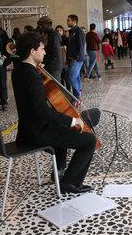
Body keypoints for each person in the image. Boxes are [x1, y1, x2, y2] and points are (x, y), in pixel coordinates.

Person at [11, 31, 96, 194]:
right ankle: (70, 183)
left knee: (64, 129)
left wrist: (37, 71)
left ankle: (58, 175)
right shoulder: (31, 75)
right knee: (89, 141)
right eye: (42, 49)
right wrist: (72, 121)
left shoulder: (19, 70)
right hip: (37, 132)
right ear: (32, 52)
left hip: (27, 130)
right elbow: (42, 111)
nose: (44, 52)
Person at [37, 16, 64, 83]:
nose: (40, 27)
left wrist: (45, 64)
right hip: (49, 66)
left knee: (55, 89)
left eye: (41, 25)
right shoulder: (47, 34)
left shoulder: (54, 35)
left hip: (54, 68)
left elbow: (55, 53)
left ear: (48, 25)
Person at [66, 14, 85, 103]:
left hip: (76, 59)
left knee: (71, 77)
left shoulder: (79, 31)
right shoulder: (71, 32)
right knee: (76, 77)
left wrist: (76, 58)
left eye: (69, 20)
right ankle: (79, 97)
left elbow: (81, 46)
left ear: (74, 21)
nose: (67, 22)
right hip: (71, 58)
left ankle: (76, 98)